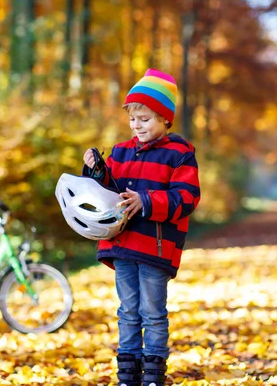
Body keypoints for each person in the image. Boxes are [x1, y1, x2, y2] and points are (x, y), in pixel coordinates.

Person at [82, 68, 201, 386]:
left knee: (152, 311)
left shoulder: (179, 154)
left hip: (154, 247)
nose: (138, 126)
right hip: (122, 244)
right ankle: (128, 374)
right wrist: (96, 170)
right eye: (133, 119)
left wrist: (145, 202)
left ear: (164, 119)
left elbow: (187, 198)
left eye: (145, 119)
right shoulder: (120, 151)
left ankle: (153, 374)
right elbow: (109, 190)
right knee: (127, 310)